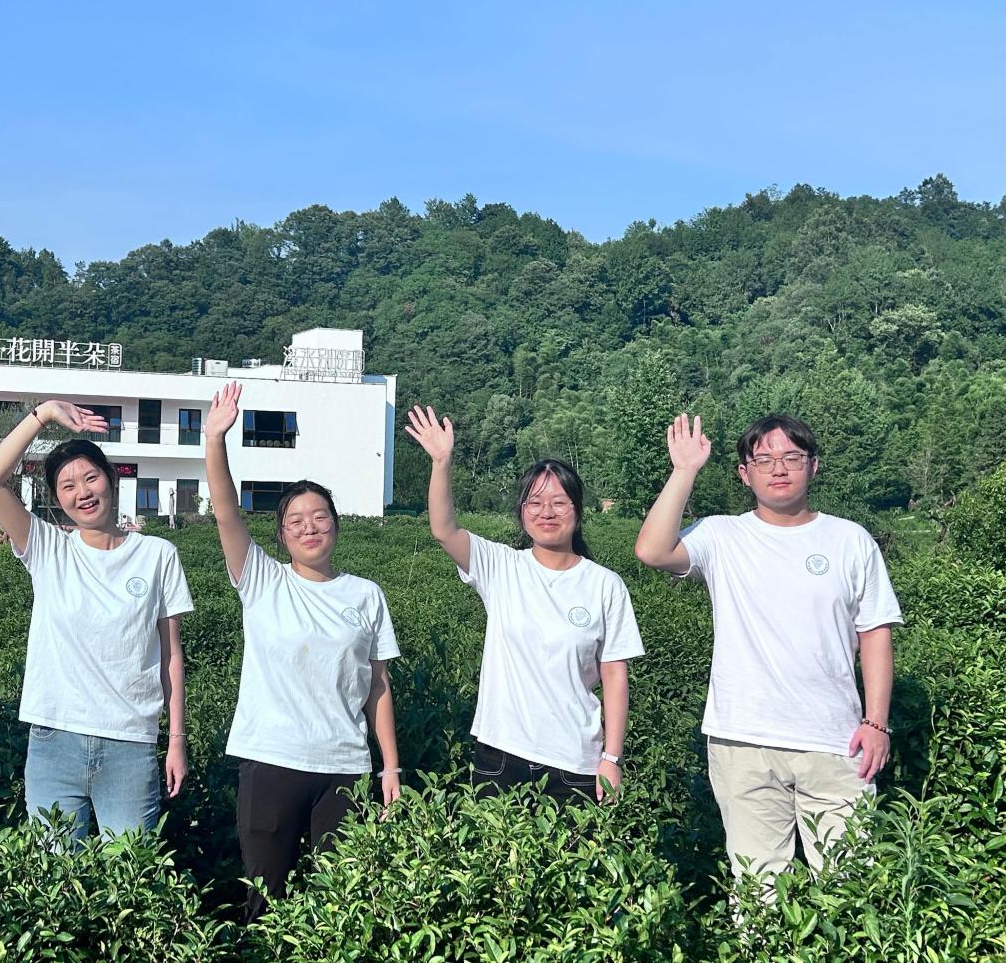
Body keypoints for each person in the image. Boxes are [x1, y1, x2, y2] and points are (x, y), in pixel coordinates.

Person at [634, 413, 901, 881]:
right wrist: (685, 471)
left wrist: (876, 722)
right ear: (745, 473)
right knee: (758, 885)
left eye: (791, 457)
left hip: (835, 741)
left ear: (813, 466)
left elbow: (875, 632)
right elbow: (652, 550)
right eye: (764, 460)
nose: (778, 468)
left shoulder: (850, 540)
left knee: (850, 883)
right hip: (743, 741)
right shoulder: (722, 534)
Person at [204, 381, 401, 922]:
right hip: (272, 761)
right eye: (295, 521)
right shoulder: (262, 580)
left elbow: (378, 687)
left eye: (319, 517)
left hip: (345, 766)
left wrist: (390, 767)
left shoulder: (365, 594)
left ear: (336, 524)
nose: (309, 527)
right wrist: (215, 440)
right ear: (281, 534)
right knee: (265, 901)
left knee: (340, 906)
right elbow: (225, 512)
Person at [0, 400, 192, 843]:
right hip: (55, 739)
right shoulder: (48, 548)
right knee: (53, 874)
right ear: (57, 500)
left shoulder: (157, 555)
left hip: (131, 742)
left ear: (111, 478)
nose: (83, 492)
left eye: (91, 477)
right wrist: (44, 414)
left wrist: (176, 740)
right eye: (68, 486)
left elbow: (171, 655)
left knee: (130, 871)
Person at [406, 405, 643, 803]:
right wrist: (441, 462)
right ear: (521, 512)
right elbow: (444, 530)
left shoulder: (605, 585)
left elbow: (615, 674)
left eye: (559, 503)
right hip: (500, 753)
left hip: (575, 760)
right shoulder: (501, 566)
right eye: (535, 503)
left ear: (578, 511)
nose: (546, 512)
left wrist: (612, 758)